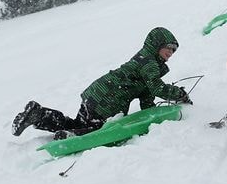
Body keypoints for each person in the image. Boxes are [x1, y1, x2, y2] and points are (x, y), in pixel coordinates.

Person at [11, 27, 191, 140]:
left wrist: (151, 113)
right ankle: (71, 136)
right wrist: (179, 94)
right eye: (168, 47)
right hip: (109, 98)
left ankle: (39, 114)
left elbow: (146, 94)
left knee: (77, 122)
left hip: (97, 93)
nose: (171, 52)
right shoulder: (149, 63)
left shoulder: (145, 62)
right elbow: (157, 87)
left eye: (174, 50)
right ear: (157, 45)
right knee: (99, 129)